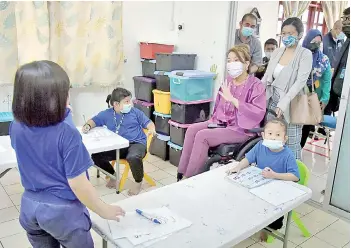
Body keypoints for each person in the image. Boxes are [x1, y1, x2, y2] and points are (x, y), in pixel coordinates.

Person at [10, 61, 125, 248]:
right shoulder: (67, 132)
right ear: (55, 99)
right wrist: (104, 210)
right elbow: (79, 184)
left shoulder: (15, 126)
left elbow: (36, 150)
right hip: (62, 213)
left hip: (29, 208)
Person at [177, 44, 266, 180]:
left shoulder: (256, 85)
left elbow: (257, 112)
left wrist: (234, 100)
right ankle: (181, 173)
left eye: (236, 60)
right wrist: (215, 120)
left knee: (203, 136)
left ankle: (189, 178)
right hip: (221, 122)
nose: (231, 64)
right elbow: (219, 105)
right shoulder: (228, 81)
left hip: (241, 129)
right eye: (229, 60)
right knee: (192, 129)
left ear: (246, 63)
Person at [226, 118, 300, 241]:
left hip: (278, 191)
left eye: (278, 135)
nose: (273, 138)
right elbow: (248, 158)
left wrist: (275, 175)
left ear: (285, 138)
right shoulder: (260, 145)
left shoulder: (287, 155)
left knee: (274, 222)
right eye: (270, 134)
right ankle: (254, 225)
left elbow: (295, 176)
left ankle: (266, 229)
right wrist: (238, 166)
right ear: (263, 135)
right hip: (260, 185)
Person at [83, 87, 156, 195]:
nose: (129, 104)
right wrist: (88, 125)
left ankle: (138, 182)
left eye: (129, 101)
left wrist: (152, 129)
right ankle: (113, 176)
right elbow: (94, 120)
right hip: (118, 146)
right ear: (116, 104)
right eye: (126, 102)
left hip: (136, 143)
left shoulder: (135, 112)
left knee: (133, 157)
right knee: (96, 156)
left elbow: (149, 123)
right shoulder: (107, 114)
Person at [262, 17, 313, 160]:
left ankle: (294, 178)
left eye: (290, 33)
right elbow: (267, 76)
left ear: (300, 34)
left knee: (291, 143)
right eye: (283, 33)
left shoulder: (305, 54)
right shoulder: (277, 52)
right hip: (273, 101)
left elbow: (300, 81)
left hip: (293, 103)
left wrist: (284, 102)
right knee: (271, 139)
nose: (286, 37)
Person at [300, 29, 332, 148]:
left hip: (312, 96)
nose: (316, 45)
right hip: (295, 95)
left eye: (319, 42)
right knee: (293, 124)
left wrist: (325, 98)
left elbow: (327, 80)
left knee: (307, 125)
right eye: (314, 41)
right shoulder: (298, 54)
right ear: (307, 40)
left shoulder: (323, 60)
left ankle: (299, 150)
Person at [325, 7, 350, 115]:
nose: (344, 22)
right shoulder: (347, 41)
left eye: (347, 19)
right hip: (336, 88)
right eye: (343, 18)